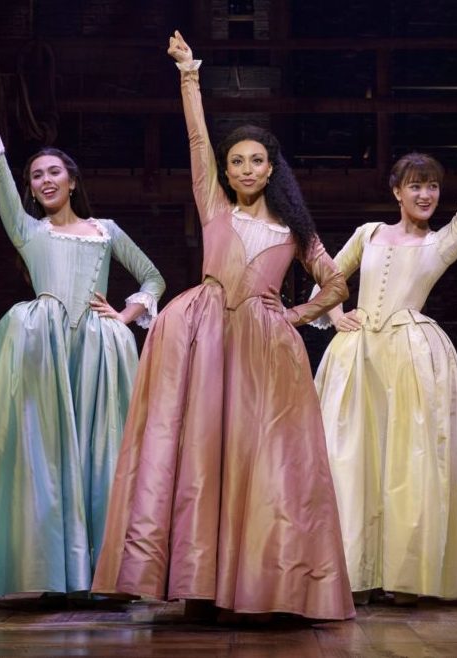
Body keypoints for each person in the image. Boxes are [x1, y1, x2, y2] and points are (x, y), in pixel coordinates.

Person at [91, 31, 355, 622]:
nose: (244, 168)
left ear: (272, 166)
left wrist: (292, 314)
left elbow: (336, 284)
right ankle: (200, 581)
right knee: (201, 455)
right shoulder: (213, 203)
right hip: (204, 336)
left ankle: (264, 581)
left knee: (264, 458)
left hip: (264, 348)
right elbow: (196, 137)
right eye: (236, 161)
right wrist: (189, 73)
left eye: (255, 160)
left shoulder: (295, 230)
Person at [312, 112, 457, 603]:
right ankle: (351, 573)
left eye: (433, 187)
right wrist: (335, 317)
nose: (426, 195)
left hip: (411, 358)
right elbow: (331, 279)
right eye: (416, 186)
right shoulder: (369, 233)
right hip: (355, 357)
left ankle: (405, 575)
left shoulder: (441, 242)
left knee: (408, 465)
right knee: (349, 462)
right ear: (397, 190)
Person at [0, 76, 166, 597]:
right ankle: (52, 572)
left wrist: (125, 313)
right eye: (36, 176)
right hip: (44, 349)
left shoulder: (105, 230)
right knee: (48, 458)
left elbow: (153, 277)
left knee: (101, 456)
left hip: (95, 352)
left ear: (71, 179)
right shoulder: (28, 231)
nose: (44, 181)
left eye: (53, 172)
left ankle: (107, 573)